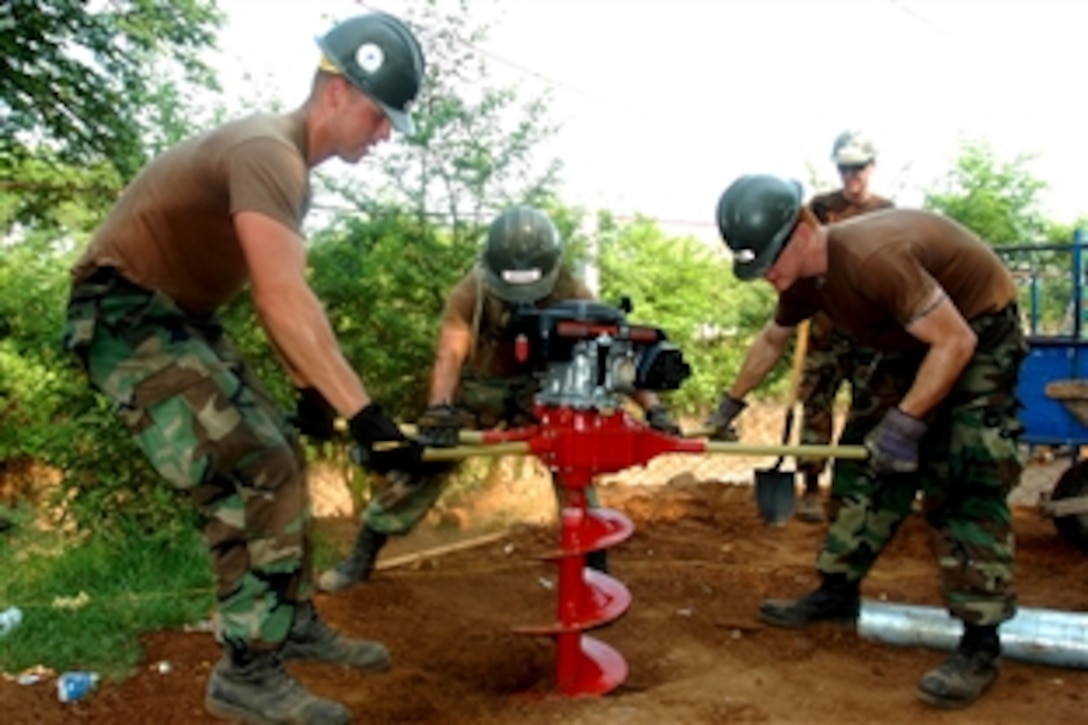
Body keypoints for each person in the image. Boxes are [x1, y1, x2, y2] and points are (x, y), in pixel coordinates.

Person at [62, 12, 426, 723]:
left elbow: (295, 298)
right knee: (252, 462)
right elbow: (279, 298)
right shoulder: (270, 153)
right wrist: (367, 416)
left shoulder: (287, 168)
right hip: (123, 315)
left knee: (282, 451)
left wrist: (312, 392)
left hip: (178, 319)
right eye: (381, 116)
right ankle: (247, 673)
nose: (385, 135)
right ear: (336, 91)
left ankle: (287, 624)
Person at [705, 174, 1025, 709]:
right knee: (862, 459)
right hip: (914, 338)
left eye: (769, 263)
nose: (768, 278)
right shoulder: (801, 279)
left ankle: (980, 643)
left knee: (962, 470)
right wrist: (730, 403)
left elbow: (955, 341)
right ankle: (837, 591)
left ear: (804, 230)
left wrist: (907, 425)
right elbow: (772, 339)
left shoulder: (872, 259)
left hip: (978, 330)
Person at [317, 206, 681, 592]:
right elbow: (450, 354)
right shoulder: (471, 292)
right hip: (480, 392)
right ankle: (363, 554)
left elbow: (614, 354)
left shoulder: (571, 290)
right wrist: (440, 410)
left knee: (575, 457)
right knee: (426, 464)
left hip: (543, 392)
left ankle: (595, 568)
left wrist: (655, 408)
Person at [794, 131, 895, 523]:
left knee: (868, 411)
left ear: (872, 167)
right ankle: (811, 489)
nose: (851, 176)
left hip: (869, 331)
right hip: (825, 329)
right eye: (844, 168)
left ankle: (855, 490)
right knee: (816, 406)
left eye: (858, 168)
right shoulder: (819, 208)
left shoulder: (888, 212)